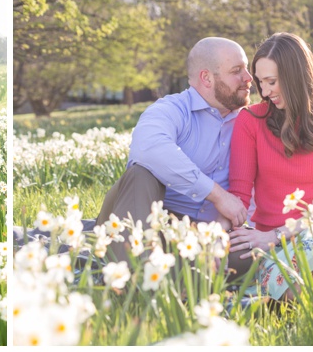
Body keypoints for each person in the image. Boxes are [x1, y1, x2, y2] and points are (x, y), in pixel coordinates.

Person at [226, 32, 313, 301]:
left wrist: (276, 235)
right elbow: (239, 196)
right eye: (261, 83)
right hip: (270, 242)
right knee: (299, 285)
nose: (264, 92)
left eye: (272, 82)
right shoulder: (250, 121)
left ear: (296, 76)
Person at [95, 37, 253, 264]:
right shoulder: (171, 109)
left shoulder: (252, 123)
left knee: (257, 260)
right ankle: (136, 282)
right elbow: (149, 149)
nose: (248, 78)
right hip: (151, 224)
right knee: (141, 173)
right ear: (206, 78)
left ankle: (166, 275)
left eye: (247, 69)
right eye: (237, 70)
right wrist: (217, 195)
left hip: (210, 235)